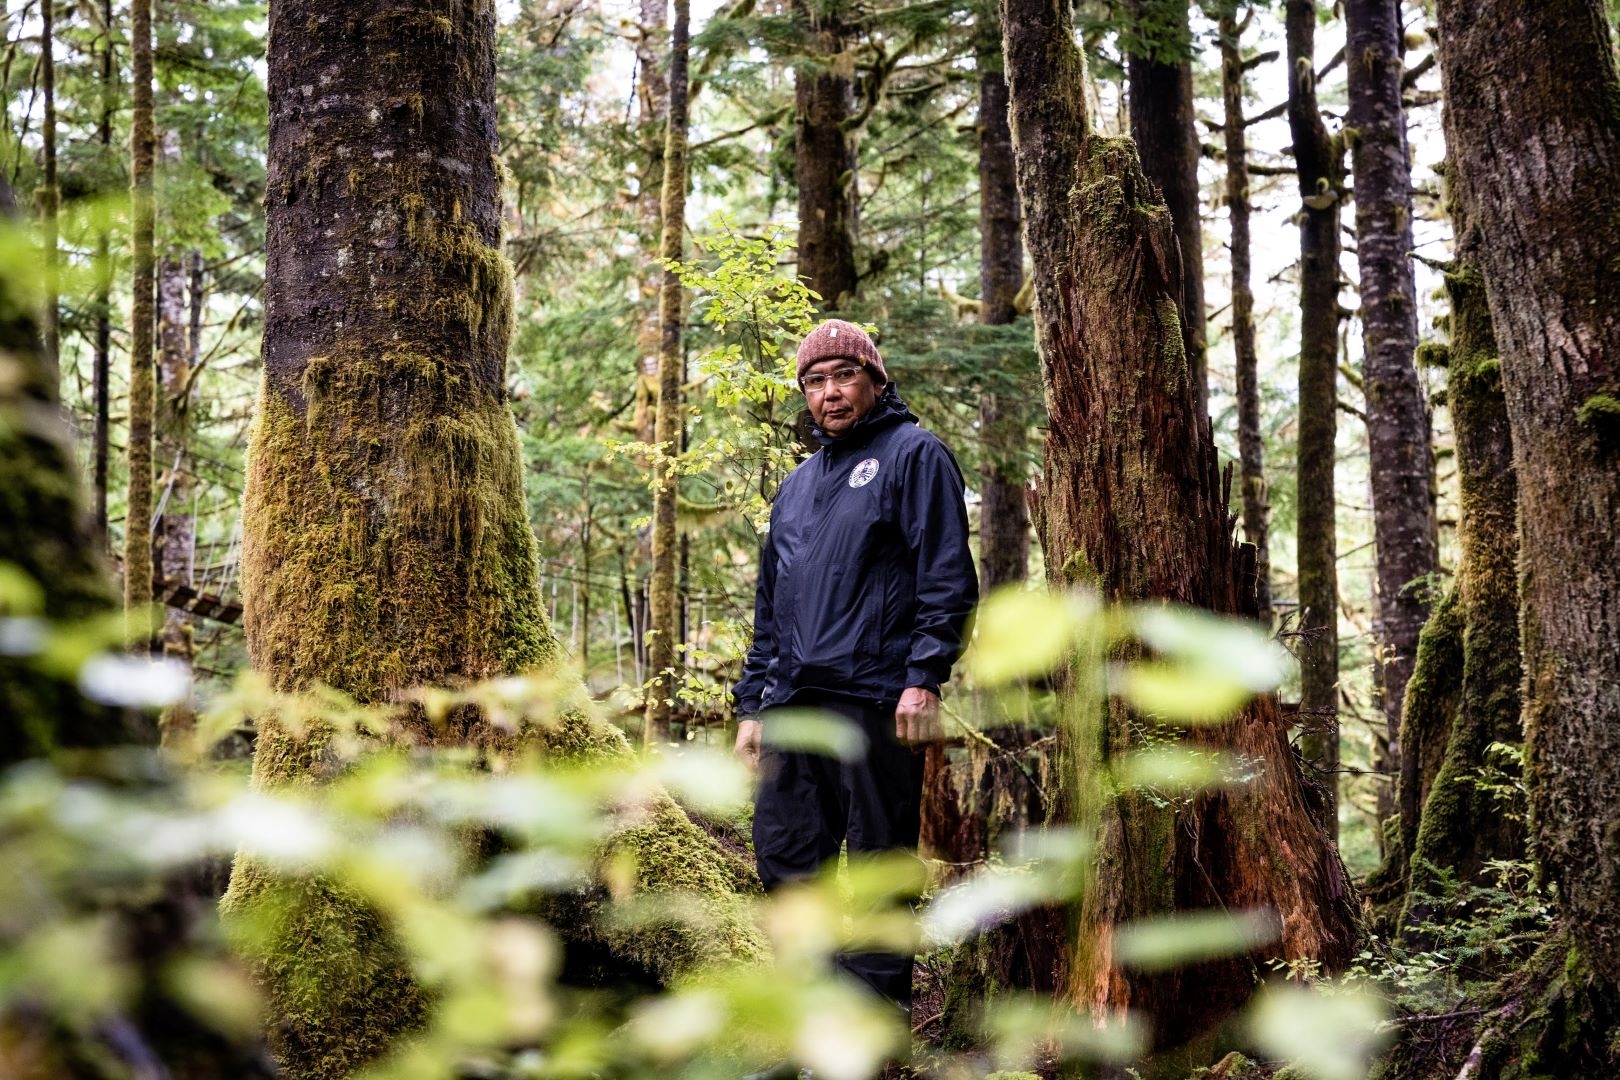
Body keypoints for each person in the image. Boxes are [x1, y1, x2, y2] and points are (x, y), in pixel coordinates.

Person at [732, 318, 978, 1017]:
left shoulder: (914, 455)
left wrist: (924, 676)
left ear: (875, 379)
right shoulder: (796, 487)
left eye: (844, 376)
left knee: (876, 867)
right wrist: (752, 707)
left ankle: (871, 1033)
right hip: (791, 706)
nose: (830, 393)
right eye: (815, 382)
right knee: (786, 858)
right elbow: (771, 608)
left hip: (876, 701)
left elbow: (948, 578)